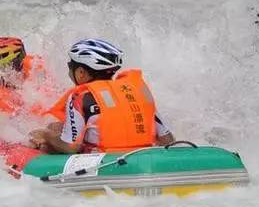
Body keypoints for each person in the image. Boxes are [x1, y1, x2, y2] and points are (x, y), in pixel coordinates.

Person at [30, 39, 175, 153]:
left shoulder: (80, 97)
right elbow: (167, 139)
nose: (69, 73)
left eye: (70, 67)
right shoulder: (138, 90)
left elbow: (70, 147)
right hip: (143, 156)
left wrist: (46, 135)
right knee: (56, 127)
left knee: (48, 136)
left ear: (81, 73)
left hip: (104, 162)